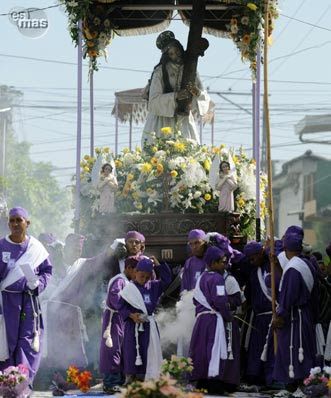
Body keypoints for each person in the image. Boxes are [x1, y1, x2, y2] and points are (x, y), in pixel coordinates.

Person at [0, 207, 52, 382]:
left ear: (27, 223)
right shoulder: (1, 245)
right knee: (7, 341)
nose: (15, 224)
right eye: (12, 220)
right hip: (6, 301)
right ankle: (6, 383)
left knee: (27, 341)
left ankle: (22, 383)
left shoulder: (36, 248)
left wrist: (38, 283)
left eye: (19, 220)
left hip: (29, 301)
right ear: (8, 224)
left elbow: (47, 271)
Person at [142, 30, 210, 145]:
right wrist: (175, 96)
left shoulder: (190, 70)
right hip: (161, 121)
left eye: (177, 50)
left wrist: (196, 92)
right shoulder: (160, 72)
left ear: (180, 48)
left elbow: (205, 97)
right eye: (171, 53)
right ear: (167, 56)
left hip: (183, 121)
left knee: (187, 149)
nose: (176, 55)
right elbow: (153, 101)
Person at [272, 232, 318, 396]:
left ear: (286, 248)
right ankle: (294, 386)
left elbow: (288, 295)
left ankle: (300, 384)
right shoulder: (307, 263)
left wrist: (280, 315)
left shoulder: (293, 268)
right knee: (301, 348)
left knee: (295, 350)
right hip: (304, 314)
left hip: (293, 316)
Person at [119, 256, 171, 382]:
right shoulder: (129, 289)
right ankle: (130, 378)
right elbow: (120, 307)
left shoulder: (154, 286)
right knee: (132, 352)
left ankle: (150, 378)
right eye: (141, 276)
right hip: (133, 326)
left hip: (149, 325)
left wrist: (159, 264)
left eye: (147, 277)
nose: (144, 279)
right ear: (136, 272)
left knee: (149, 351)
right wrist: (131, 315)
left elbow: (167, 279)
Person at [189, 246, 231, 395]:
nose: (224, 265)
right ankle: (215, 384)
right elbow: (219, 301)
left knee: (201, 351)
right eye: (222, 262)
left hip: (201, 319)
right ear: (213, 263)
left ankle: (202, 383)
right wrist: (227, 316)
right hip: (213, 320)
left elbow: (195, 300)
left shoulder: (202, 277)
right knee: (214, 350)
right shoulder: (217, 278)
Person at [100, 255, 139, 394]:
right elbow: (116, 299)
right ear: (129, 268)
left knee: (122, 350)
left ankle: (119, 380)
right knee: (112, 350)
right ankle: (110, 382)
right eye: (137, 271)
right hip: (114, 318)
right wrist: (129, 312)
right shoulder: (119, 280)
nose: (138, 275)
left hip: (121, 318)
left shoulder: (127, 281)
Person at [243, 240, 279, 388]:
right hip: (258, 317)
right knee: (257, 348)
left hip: (273, 315)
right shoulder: (254, 272)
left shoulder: (272, 267)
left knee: (271, 348)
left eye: (253, 258)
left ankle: (273, 379)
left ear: (260, 254)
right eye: (249, 259)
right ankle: (255, 377)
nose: (252, 262)